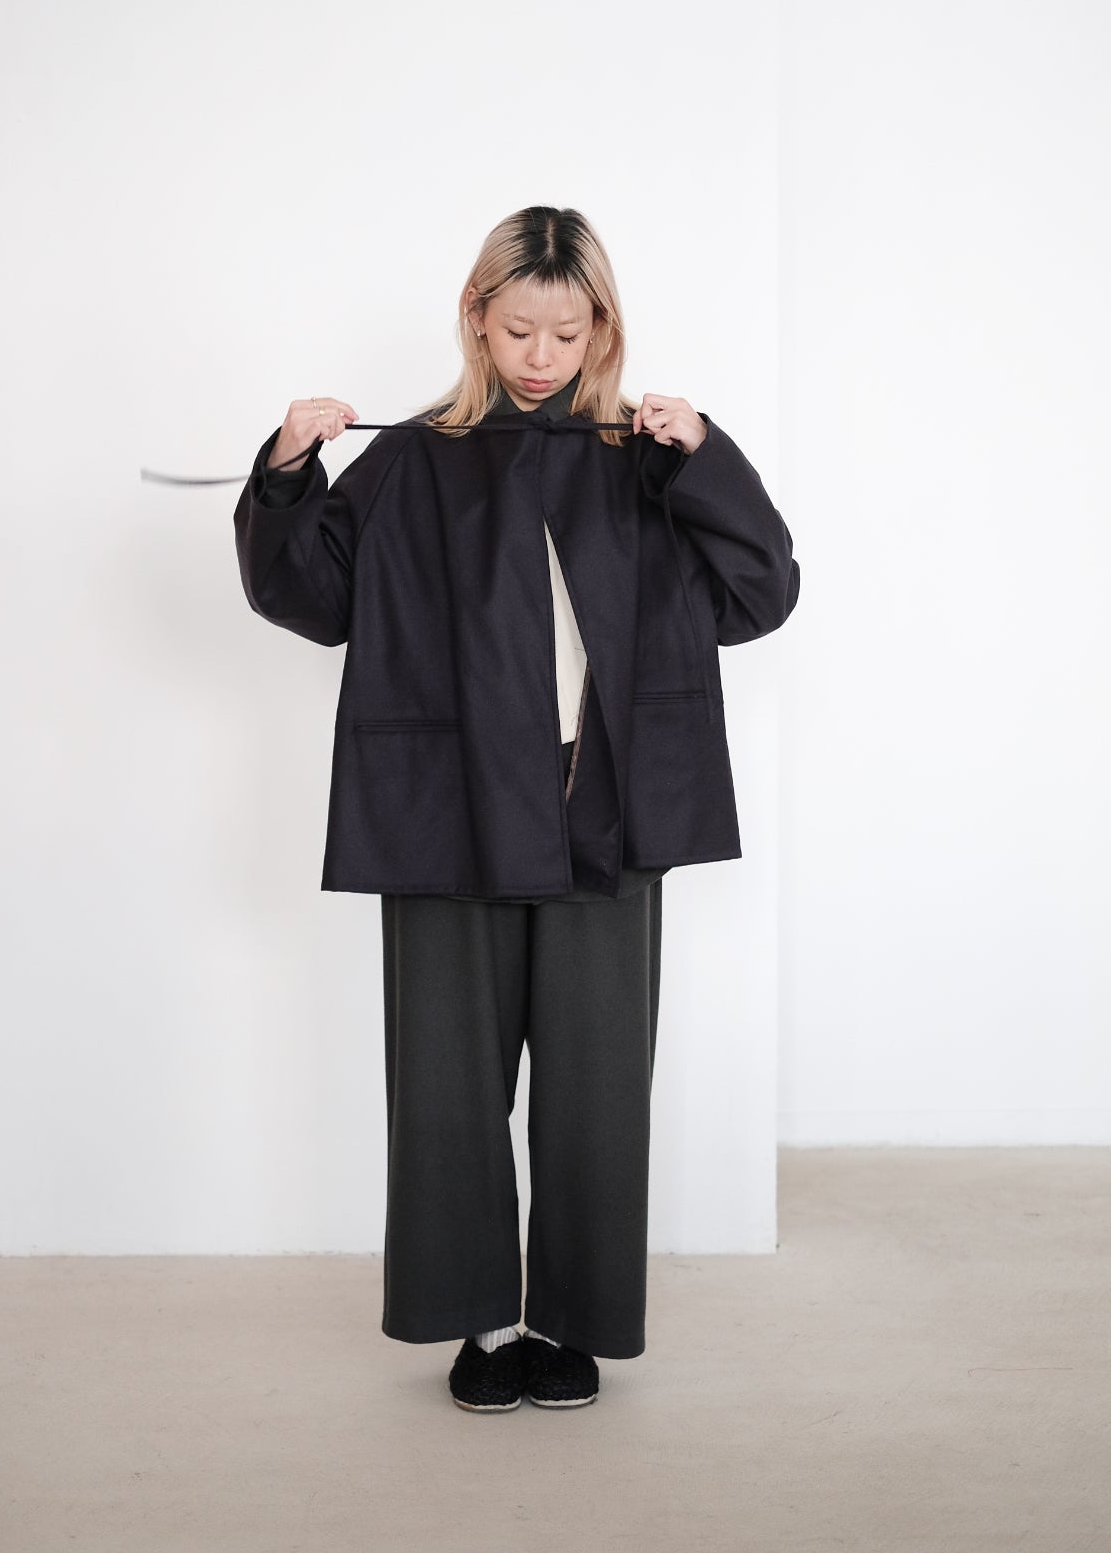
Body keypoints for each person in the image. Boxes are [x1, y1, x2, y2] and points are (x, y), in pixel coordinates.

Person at [233, 205, 800, 1413]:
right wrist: (286, 471)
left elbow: (758, 593)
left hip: (606, 809)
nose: (540, 357)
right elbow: (310, 597)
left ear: (601, 328)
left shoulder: (645, 457)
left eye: (565, 331)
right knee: (446, 1080)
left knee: (597, 1084)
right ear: (476, 321)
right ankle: (482, 1327)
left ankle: (570, 1325)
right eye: (516, 331)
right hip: (445, 811)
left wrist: (705, 456)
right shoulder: (415, 457)